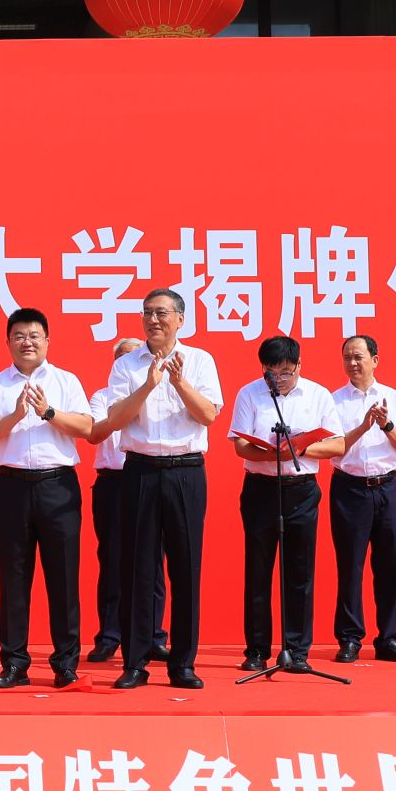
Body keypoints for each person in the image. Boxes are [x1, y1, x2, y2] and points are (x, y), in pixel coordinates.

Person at [0, 307, 95, 689]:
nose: (27, 342)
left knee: (64, 577)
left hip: (58, 485)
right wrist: (16, 415)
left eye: (34, 335)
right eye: (19, 336)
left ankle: (65, 664)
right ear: (8, 342)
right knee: (13, 576)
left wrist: (47, 412)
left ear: (47, 341)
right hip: (10, 487)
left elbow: (86, 427)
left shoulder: (65, 381)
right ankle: (14, 664)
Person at [104, 289, 222, 690]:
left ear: (180, 319)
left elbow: (208, 415)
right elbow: (115, 418)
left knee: (186, 568)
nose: (153, 320)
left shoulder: (200, 360)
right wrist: (148, 385)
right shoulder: (128, 365)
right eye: (147, 313)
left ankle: (183, 664)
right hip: (139, 471)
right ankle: (135, 663)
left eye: (161, 313)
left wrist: (179, 381)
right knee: (137, 568)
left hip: (186, 471)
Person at [228, 335, 347, 672]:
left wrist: (300, 448)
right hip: (261, 489)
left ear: (298, 366)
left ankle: (297, 651)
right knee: (258, 570)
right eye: (271, 372)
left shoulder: (318, 395)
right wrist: (272, 453)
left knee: (300, 572)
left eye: (284, 372)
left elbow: (337, 445)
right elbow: (240, 445)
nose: (277, 379)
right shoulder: (249, 393)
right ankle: (256, 650)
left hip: (301, 491)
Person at [328, 334, 396, 664]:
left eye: (359, 357)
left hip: (387, 488)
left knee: (390, 564)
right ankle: (350, 638)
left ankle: (389, 637)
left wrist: (386, 424)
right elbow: (332, 448)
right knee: (350, 565)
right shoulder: (333, 401)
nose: (353, 363)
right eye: (347, 358)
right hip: (349, 488)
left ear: (375, 360)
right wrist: (364, 427)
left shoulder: (394, 397)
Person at [84, 337, 168, 666]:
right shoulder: (102, 396)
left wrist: (146, 393)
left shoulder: (160, 392)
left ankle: (154, 636)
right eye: (123, 358)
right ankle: (110, 636)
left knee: (154, 561)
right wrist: (126, 410)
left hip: (149, 477)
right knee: (113, 561)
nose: (131, 363)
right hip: (114, 482)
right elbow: (95, 431)